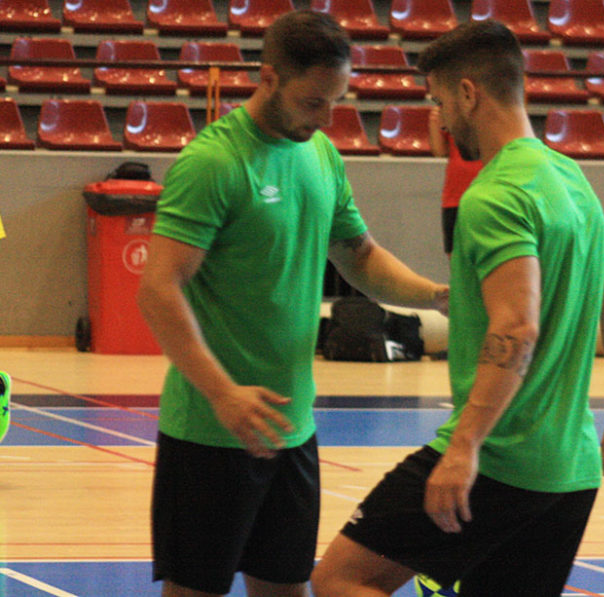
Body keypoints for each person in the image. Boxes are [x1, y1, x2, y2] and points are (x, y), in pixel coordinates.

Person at [312, 20, 604, 597]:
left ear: (468, 93)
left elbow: (516, 325)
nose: (441, 120)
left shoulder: (494, 194)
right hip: (569, 471)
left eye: (441, 101)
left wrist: (465, 444)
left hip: (499, 460)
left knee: (342, 579)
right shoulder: (569, 179)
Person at [137, 10, 448, 597]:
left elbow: (360, 257)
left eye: (336, 101)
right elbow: (158, 290)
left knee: (285, 589)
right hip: (209, 433)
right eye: (313, 102)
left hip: (293, 429)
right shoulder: (214, 164)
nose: (326, 118)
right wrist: (223, 392)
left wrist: (435, 297)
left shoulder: (321, 155)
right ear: (269, 77)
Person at [428, 106, 483, 258]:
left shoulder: (490, 109)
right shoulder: (448, 107)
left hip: (487, 195)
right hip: (454, 197)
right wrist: (434, 124)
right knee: (455, 260)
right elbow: (440, 151)